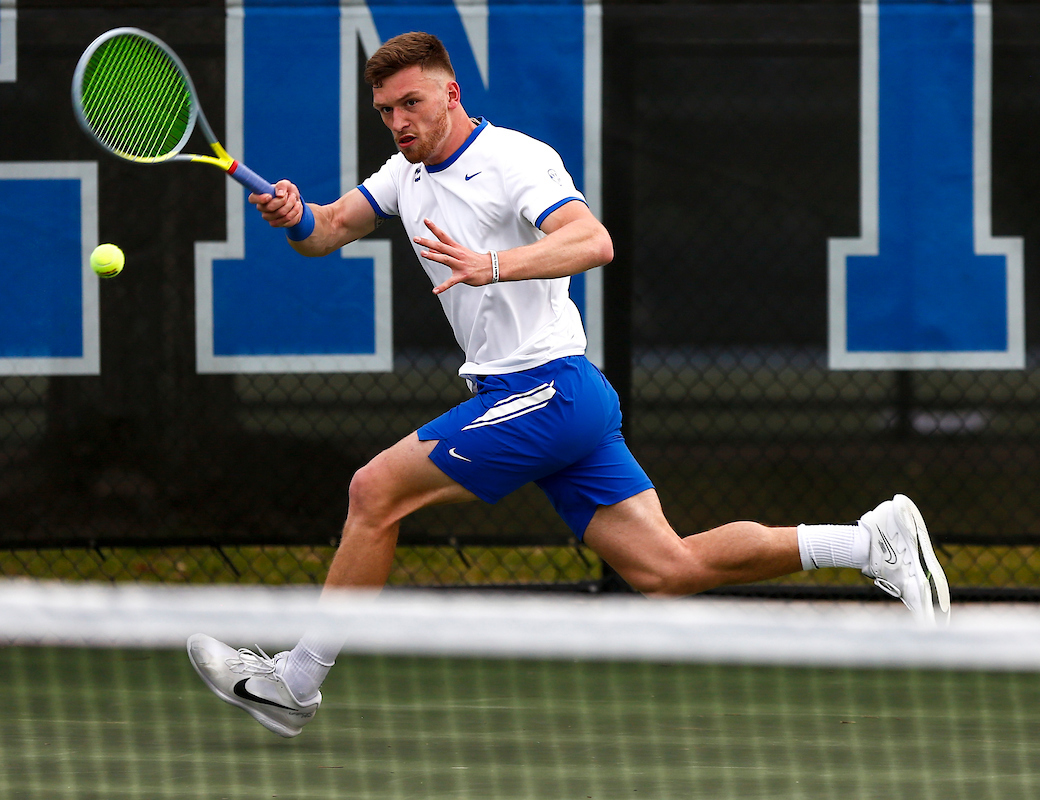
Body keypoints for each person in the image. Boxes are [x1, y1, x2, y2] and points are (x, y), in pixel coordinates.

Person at [187, 31, 951, 738]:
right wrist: (292, 216)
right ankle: (868, 541)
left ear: (451, 93)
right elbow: (327, 230)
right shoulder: (403, 174)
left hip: (547, 389)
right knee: (668, 569)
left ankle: (297, 683)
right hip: (551, 402)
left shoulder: (516, 158)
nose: (398, 121)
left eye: (411, 103)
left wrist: (490, 264)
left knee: (373, 491)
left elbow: (593, 240)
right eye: (386, 109)